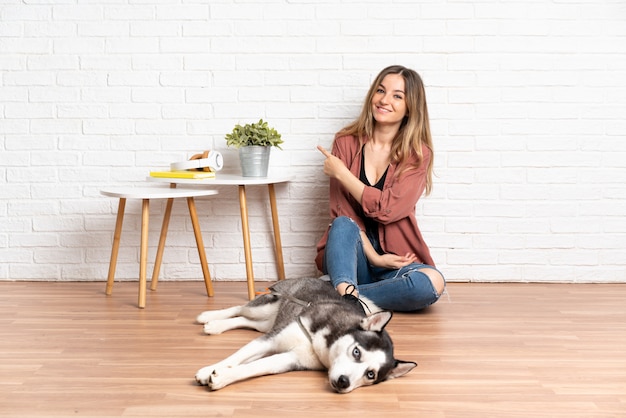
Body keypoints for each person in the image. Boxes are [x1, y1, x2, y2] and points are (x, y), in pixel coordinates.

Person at [315, 65, 445, 313]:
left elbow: (389, 209)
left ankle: (341, 296)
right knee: (342, 224)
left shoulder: (417, 154)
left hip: (397, 261)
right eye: (380, 91)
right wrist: (374, 257)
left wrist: (342, 173)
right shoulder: (346, 142)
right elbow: (342, 213)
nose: (384, 100)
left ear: (410, 108)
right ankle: (347, 290)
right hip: (354, 259)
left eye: (397, 95)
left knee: (432, 283)